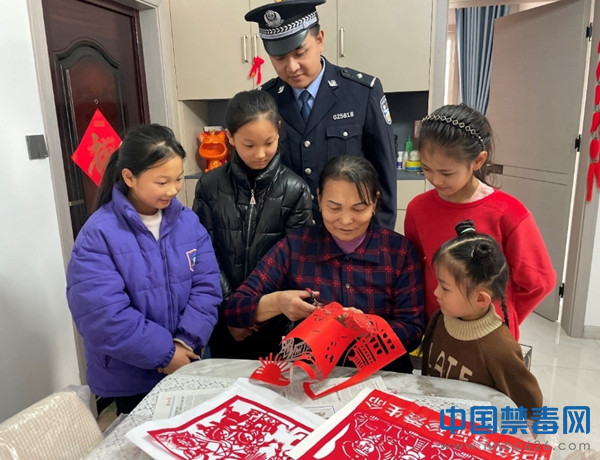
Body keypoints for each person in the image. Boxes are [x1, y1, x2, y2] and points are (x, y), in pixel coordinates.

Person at [66, 124, 222, 414]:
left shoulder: (188, 222)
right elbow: (103, 315)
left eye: (178, 179)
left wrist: (185, 342)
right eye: (161, 182)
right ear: (129, 177)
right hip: (130, 378)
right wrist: (166, 354)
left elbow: (207, 287)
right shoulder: (98, 234)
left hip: (187, 362)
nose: (173, 189)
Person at [225, 155, 424, 373]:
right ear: (319, 199)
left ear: (375, 202)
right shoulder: (295, 247)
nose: (346, 220)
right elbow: (235, 308)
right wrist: (279, 302)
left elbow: (413, 330)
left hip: (382, 375)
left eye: (359, 209)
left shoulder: (399, 252)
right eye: (334, 208)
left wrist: (367, 327)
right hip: (309, 376)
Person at [404, 104, 555, 341]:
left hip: (489, 334)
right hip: (438, 328)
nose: (435, 180)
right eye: (426, 169)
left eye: (446, 173)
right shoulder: (417, 209)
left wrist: (505, 316)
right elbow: (414, 270)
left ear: (478, 160)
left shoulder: (508, 212)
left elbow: (539, 282)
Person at [245, 0, 397, 230]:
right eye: (279, 58)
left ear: (320, 40)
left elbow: (384, 176)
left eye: (300, 53)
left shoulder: (362, 92)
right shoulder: (265, 101)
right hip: (288, 237)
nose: (292, 66)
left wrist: (379, 240)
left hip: (348, 231)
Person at [193, 89, 313, 359]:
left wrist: (254, 312)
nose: (260, 154)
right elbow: (204, 254)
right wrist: (233, 312)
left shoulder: (295, 190)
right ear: (230, 137)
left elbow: (294, 263)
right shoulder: (209, 185)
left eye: (269, 142)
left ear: (278, 131)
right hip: (223, 321)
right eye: (249, 145)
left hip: (275, 321)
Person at [421, 220, 543, 415]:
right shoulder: (440, 319)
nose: (436, 292)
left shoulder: (500, 349)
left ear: (480, 299)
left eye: (445, 287)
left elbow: (530, 407)